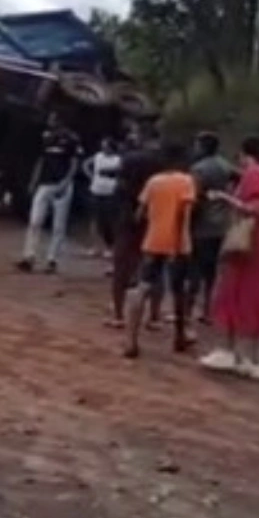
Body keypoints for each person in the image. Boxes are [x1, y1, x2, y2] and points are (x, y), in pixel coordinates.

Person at [199, 136, 259, 380]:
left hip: (252, 238)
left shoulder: (255, 174)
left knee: (239, 290)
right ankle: (252, 357)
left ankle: (235, 352)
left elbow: (255, 209)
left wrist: (225, 198)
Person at [123, 141, 196, 357]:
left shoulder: (154, 182)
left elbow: (139, 213)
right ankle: (179, 336)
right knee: (178, 291)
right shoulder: (186, 182)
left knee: (142, 287)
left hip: (153, 241)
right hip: (177, 244)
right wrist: (181, 243)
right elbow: (184, 215)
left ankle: (131, 341)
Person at [107, 129, 163, 328]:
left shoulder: (129, 160)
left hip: (127, 218)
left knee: (121, 266)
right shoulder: (162, 162)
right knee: (155, 267)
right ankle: (154, 316)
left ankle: (118, 315)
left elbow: (119, 188)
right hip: (155, 218)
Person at [17, 110, 82, 274]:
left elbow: (74, 162)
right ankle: (29, 256)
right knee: (34, 222)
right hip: (45, 183)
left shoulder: (71, 139)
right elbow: (41, 160)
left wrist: (66, 183)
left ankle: (52, 259)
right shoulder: (46, 137)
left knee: (58, 226)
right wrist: (33, 181)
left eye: (53, 119)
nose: (50, 121)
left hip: (62, 184)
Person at [187, 132, 236, 325]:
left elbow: (194, 197)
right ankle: (208, 310)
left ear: (203, 147)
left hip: (202, 225)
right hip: (221, 224)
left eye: (197, 145)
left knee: (194, 271)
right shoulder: (225, 165)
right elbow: (239, 177)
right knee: (212, 272)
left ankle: (188, 311)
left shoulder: (198, 169)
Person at [82, 138, 121, 257]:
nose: (104, 149)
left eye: (106, 146)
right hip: (96, 190)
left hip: (110, 192)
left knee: (109, 220)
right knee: (95, 219)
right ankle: (95, 246)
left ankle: (110, 247)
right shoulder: (98, 156)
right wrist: (90, 175)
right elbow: (86, 164)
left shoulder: (117, 159)